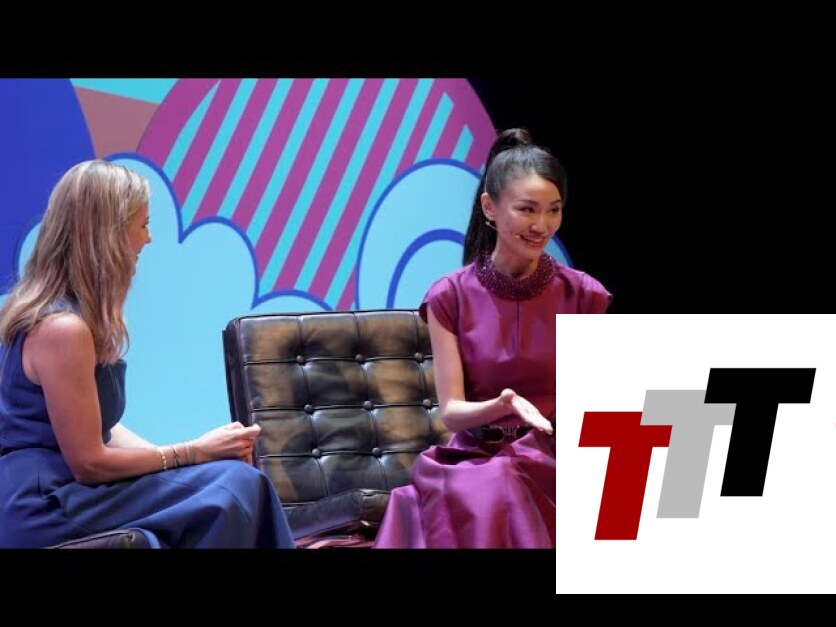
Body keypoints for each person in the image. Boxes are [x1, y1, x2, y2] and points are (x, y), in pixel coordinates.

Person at [0, 160, 295, 548]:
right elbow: (89, 462)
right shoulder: (62, 329)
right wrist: (192, 452)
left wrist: (200, 455)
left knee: (227, 480)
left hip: (72, 492)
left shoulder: (69, 318)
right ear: (109, 234)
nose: (149, 239)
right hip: (47, 504)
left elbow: (103, 429)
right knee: (237, 484)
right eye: (143, 225)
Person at [374, 128, 612, 548]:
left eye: (553, 210)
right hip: (476, 457)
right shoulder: (449, 296)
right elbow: (452, 412)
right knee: (497, 482)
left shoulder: (583, 295)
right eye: (527, 210)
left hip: (557, 456)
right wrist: (501, 405)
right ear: (490, 207)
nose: (541, 225)